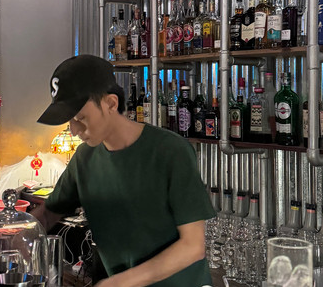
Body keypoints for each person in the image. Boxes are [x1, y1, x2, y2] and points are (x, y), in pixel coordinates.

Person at [34, 54, 215, 287]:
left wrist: (117, 283)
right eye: (70, 121)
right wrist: (16, 234)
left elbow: (193, 246)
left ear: (110, 104)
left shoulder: (170, 151)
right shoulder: (84, 158)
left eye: (80, 118)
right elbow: (48, 214)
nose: (74, 130)